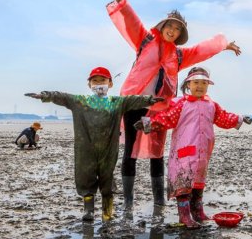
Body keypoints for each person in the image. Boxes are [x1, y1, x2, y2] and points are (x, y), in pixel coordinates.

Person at [96, 0, 241, 211]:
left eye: (177, 30)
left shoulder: (180, 56)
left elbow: (203, 49)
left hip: (160, 107)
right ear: (162, 26)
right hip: (134, 102)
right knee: (130, 152)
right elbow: (131, 19)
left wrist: (223, 45)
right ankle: (129, 201)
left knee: (157, 154)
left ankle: (158, 200)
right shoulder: (144, 40)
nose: (172, 31)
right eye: (170, 27)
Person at [25, 67, 161, 222]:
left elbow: (133, 100)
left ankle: (107, 212)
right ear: (89, 84)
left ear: (110, 84)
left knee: (107, 179)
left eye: (102, 80)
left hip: (108, 149)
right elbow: (62, 97)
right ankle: (88, 211)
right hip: (86, 149)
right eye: (94, 81)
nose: (98, 84)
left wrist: (149, 100)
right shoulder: (80, 101)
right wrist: (45, 95)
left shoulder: (117, 102)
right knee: (86, 178)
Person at [136, 67, 252, 229]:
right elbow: (167, 118)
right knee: (183, 182)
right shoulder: (181, 104)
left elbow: (223, 118)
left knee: (198, 182)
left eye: (204, 83)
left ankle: (197, 211)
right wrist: (148, 123)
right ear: (188, 84)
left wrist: (239, 118)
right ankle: (184, 216)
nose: (200, 86)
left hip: (203, 150)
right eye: (196, 82)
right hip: (184, 151)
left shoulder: (211, 105)